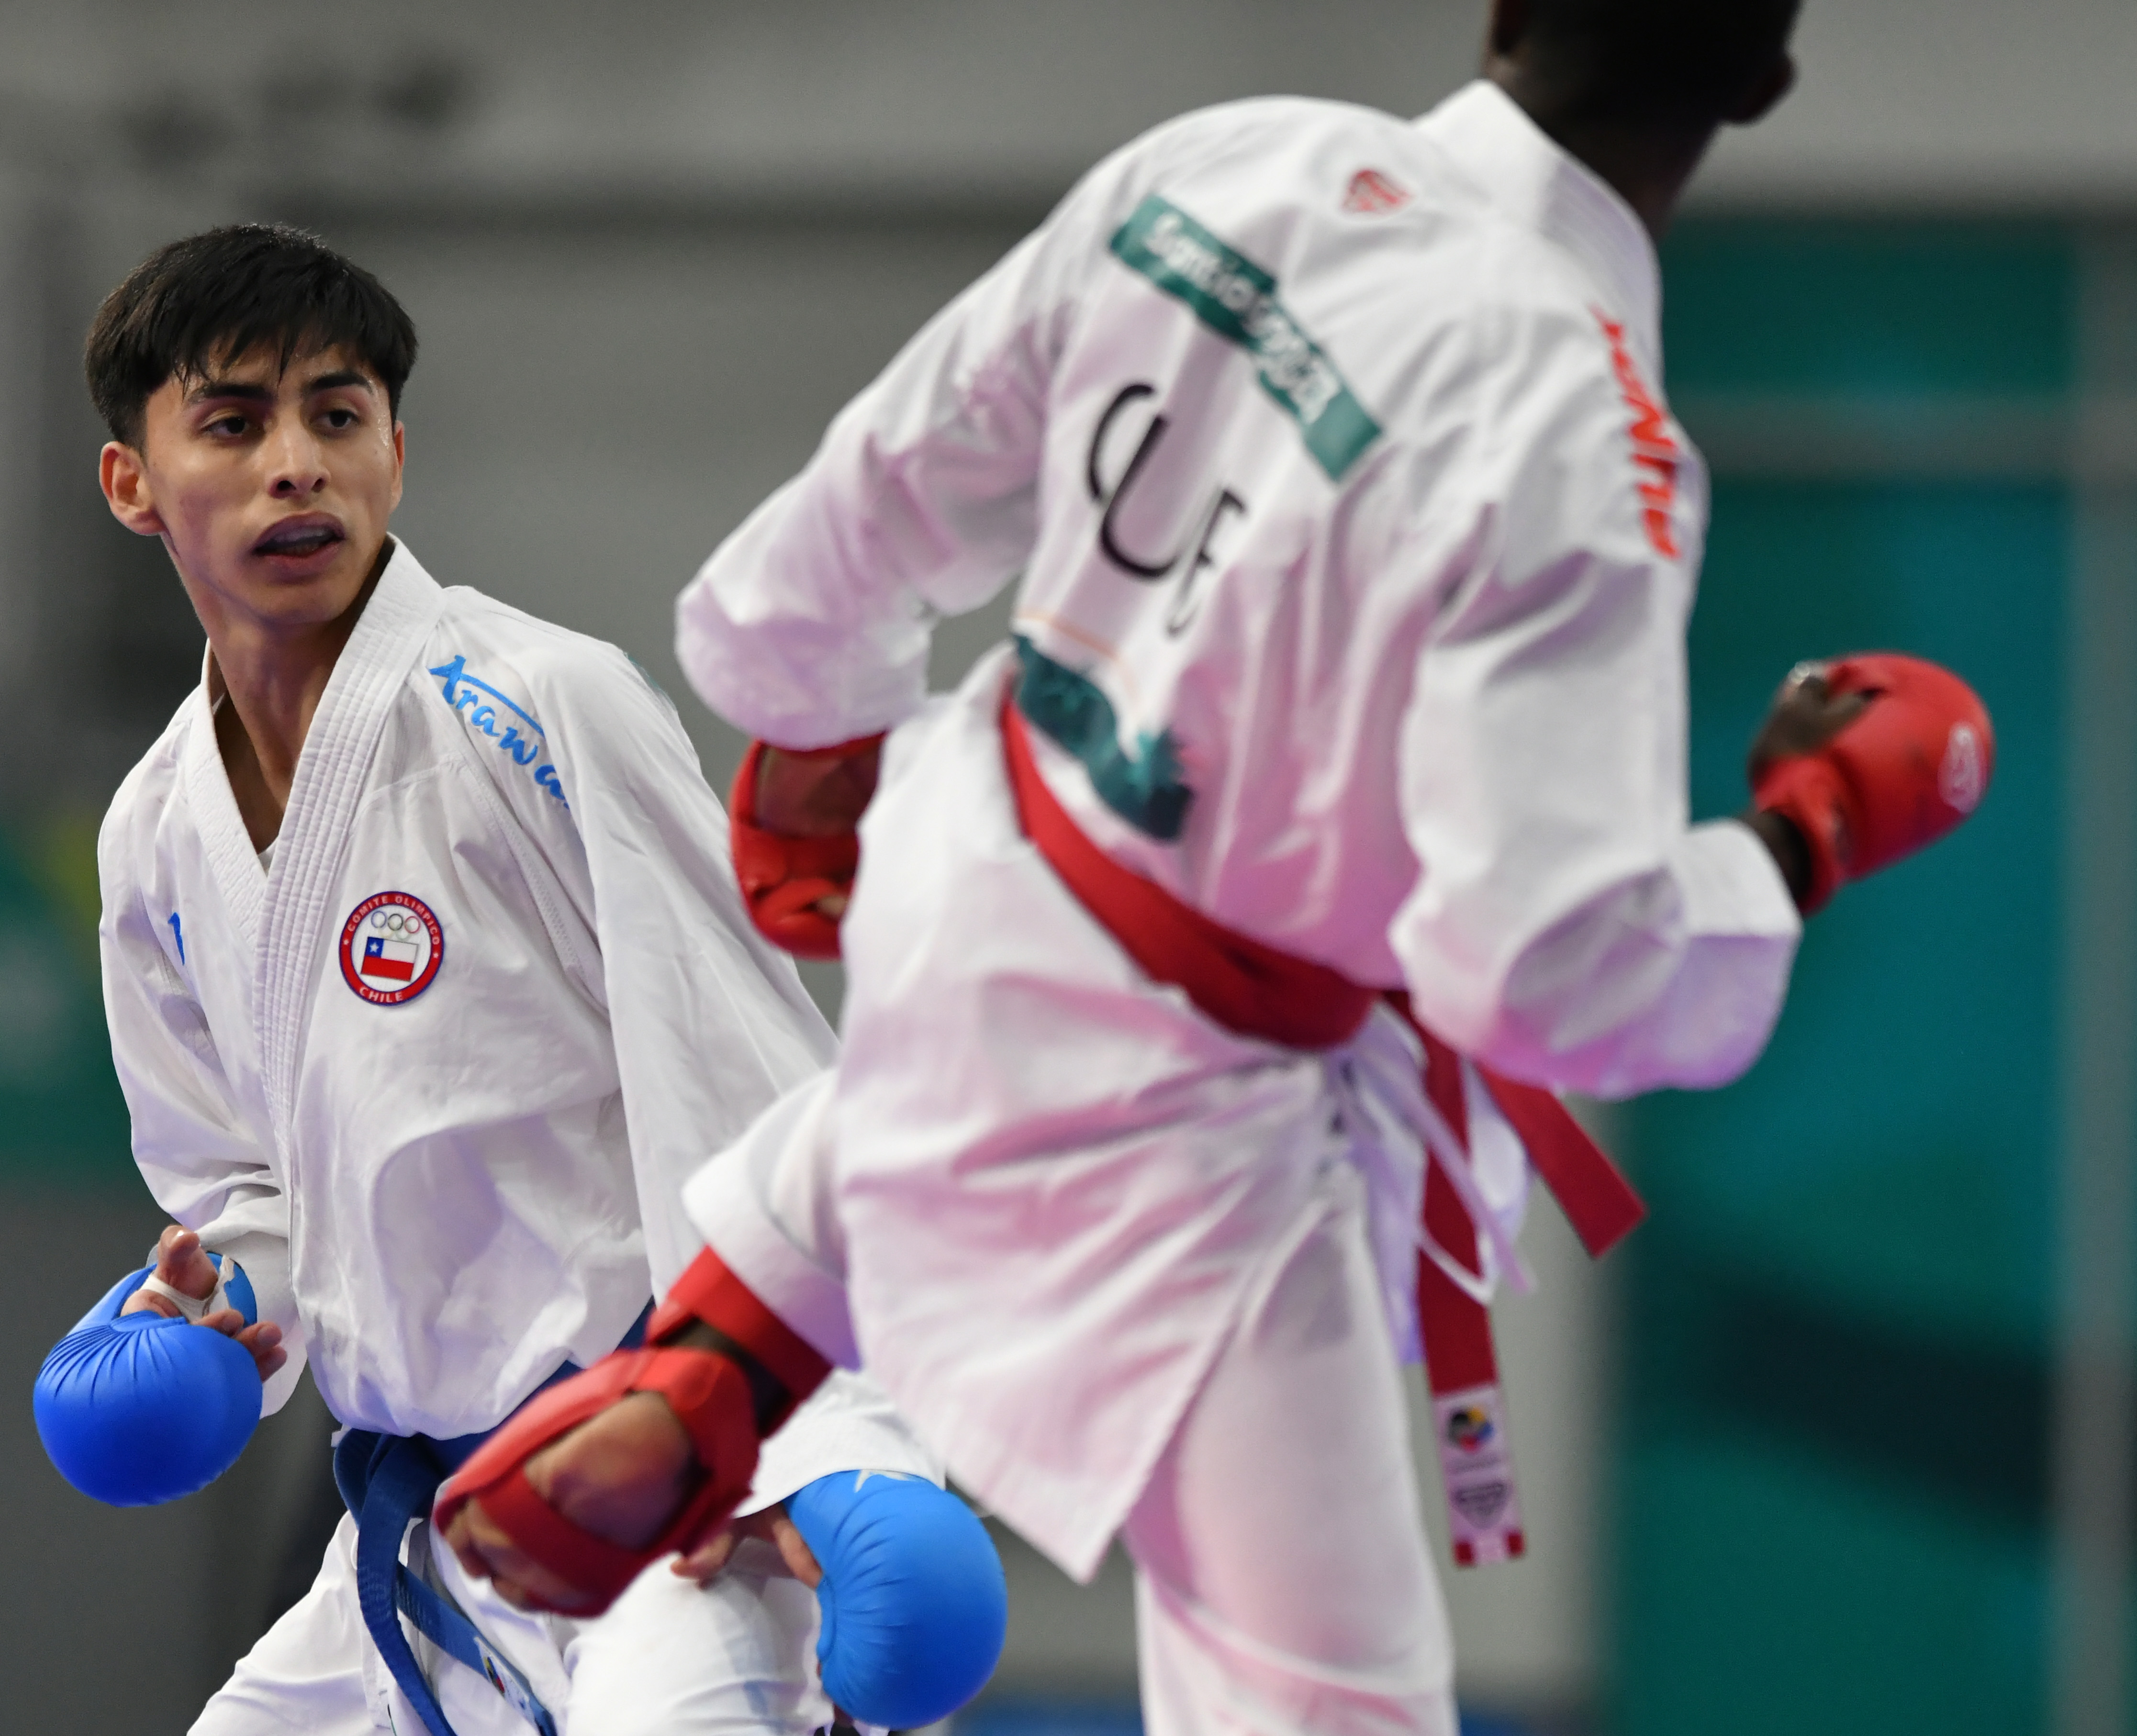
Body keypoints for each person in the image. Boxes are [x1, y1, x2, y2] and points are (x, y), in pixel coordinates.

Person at [440, 2, 1998, 1731]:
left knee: (924, 1093)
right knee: (1327, 1701)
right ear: (1762, 82)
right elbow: (1541, 968)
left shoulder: (1231, 163)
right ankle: (741, 1331)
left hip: (970, 877)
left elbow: (846, 528)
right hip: (1184, 1115)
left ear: (1502, 11)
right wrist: (1800, 833)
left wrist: (818, 744)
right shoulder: (1586, 427)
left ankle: (727, 1337)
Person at [81, 223, 941, 1736]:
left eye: (336, 415)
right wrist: (218, 1301)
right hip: (427, 1524)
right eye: (234, 422)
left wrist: (835, 1447)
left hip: (664, 1504)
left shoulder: (539, 707)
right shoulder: (155, 828)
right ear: (132, 482)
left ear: (396, 455)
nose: (297, 466)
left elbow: (754, 1087)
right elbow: (250, 1185)